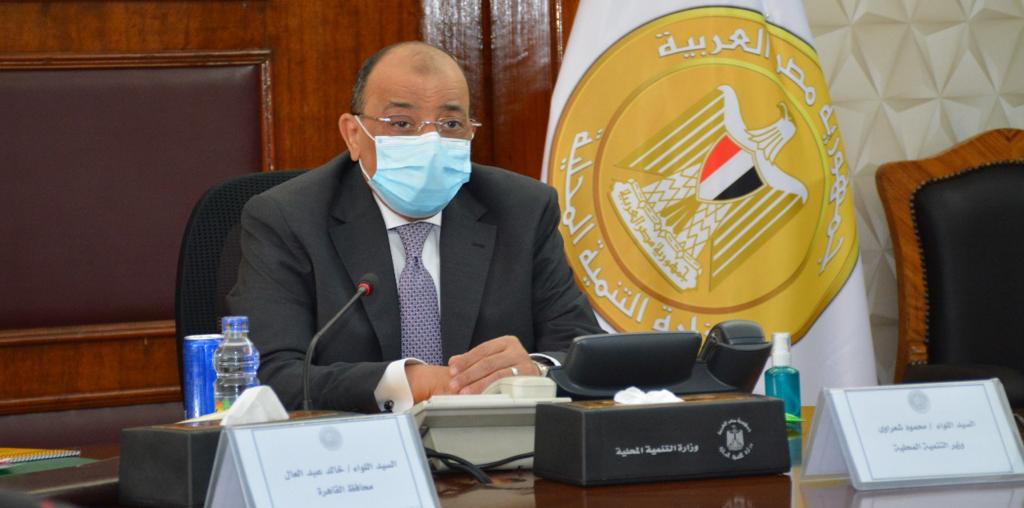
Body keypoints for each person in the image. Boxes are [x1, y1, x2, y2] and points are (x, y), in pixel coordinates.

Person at [227, 41, 601, 413]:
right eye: (402, 124)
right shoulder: (288, 218)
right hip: (355, 443)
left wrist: (536, 370)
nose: (429, 143)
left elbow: (585, 355)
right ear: (354, 134)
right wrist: (405, 383)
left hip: (495, 444)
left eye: (450, 124)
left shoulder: (522, 210)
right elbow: (270, 375)